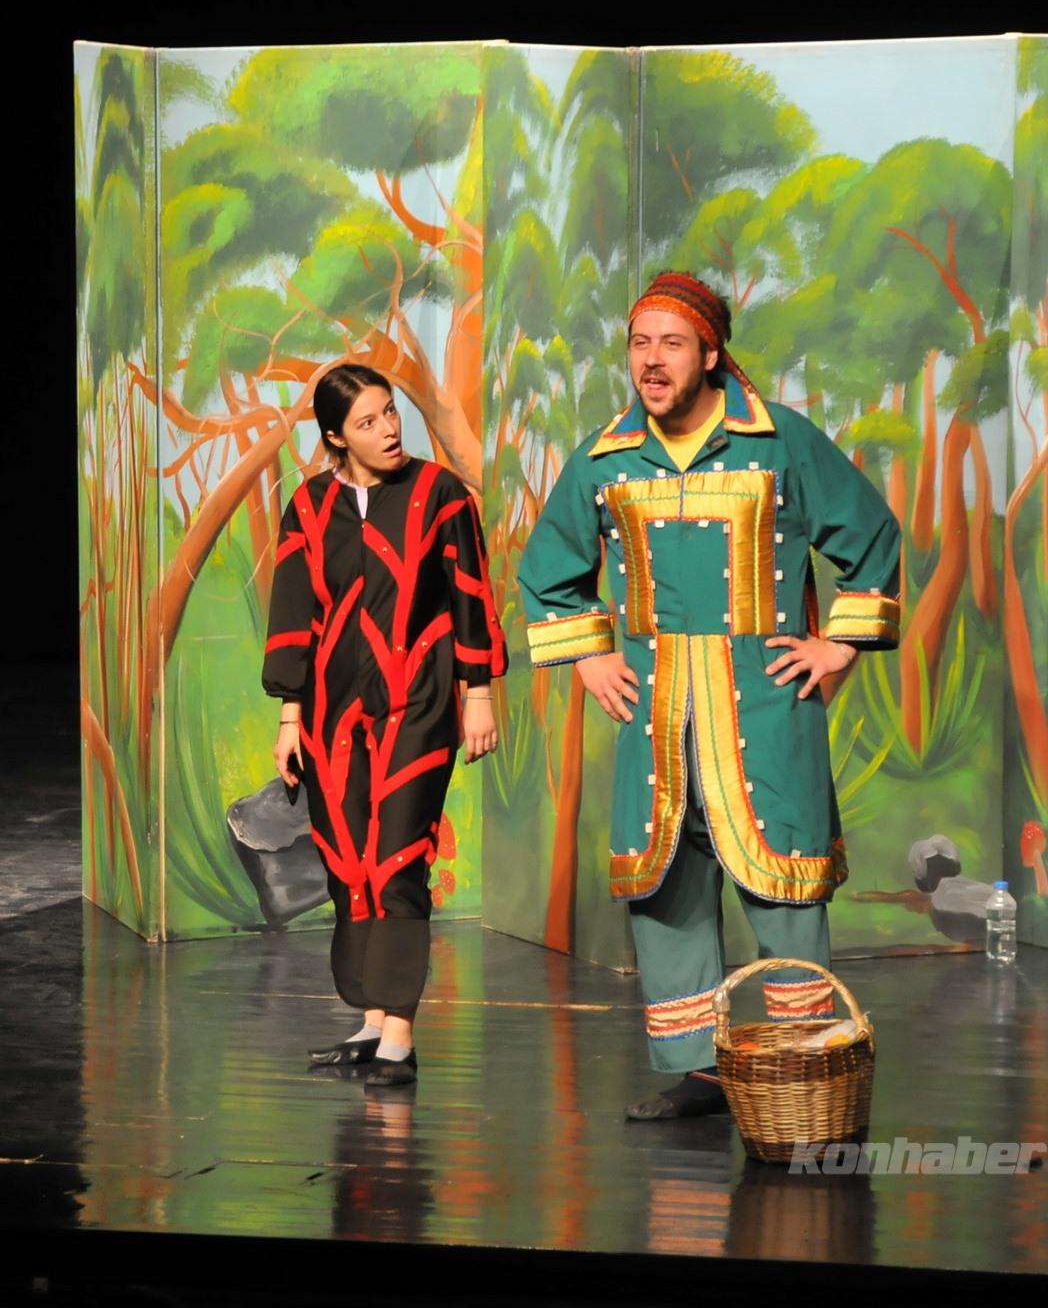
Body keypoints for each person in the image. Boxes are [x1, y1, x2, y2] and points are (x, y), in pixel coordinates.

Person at [515, 272, 901, 1120]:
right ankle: (698, 1070)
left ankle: (808, 1063)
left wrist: (839, 643)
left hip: (763, 705)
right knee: (668, 888)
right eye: (639, 344)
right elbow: (549, 569)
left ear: (711, 353)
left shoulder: (779, 442)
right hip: (655, 712)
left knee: (784, 882)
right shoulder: (608, 457)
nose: (651, 361)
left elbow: (871, 534)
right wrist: (588, 657)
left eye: (672, 344)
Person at [262, 364, 506, 1088]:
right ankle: (372, 1021)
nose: (390, 429)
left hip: (419, 700)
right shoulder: (310, 506)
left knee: (399, 857)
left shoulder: (438, 493)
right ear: (336, 436)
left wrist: (479, 692)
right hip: (333, 708)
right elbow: (293, 610)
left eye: (390, 412)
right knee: (348, 860)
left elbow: (469, 593)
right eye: (367, 421)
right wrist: (290, 714)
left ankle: (399, 1036)